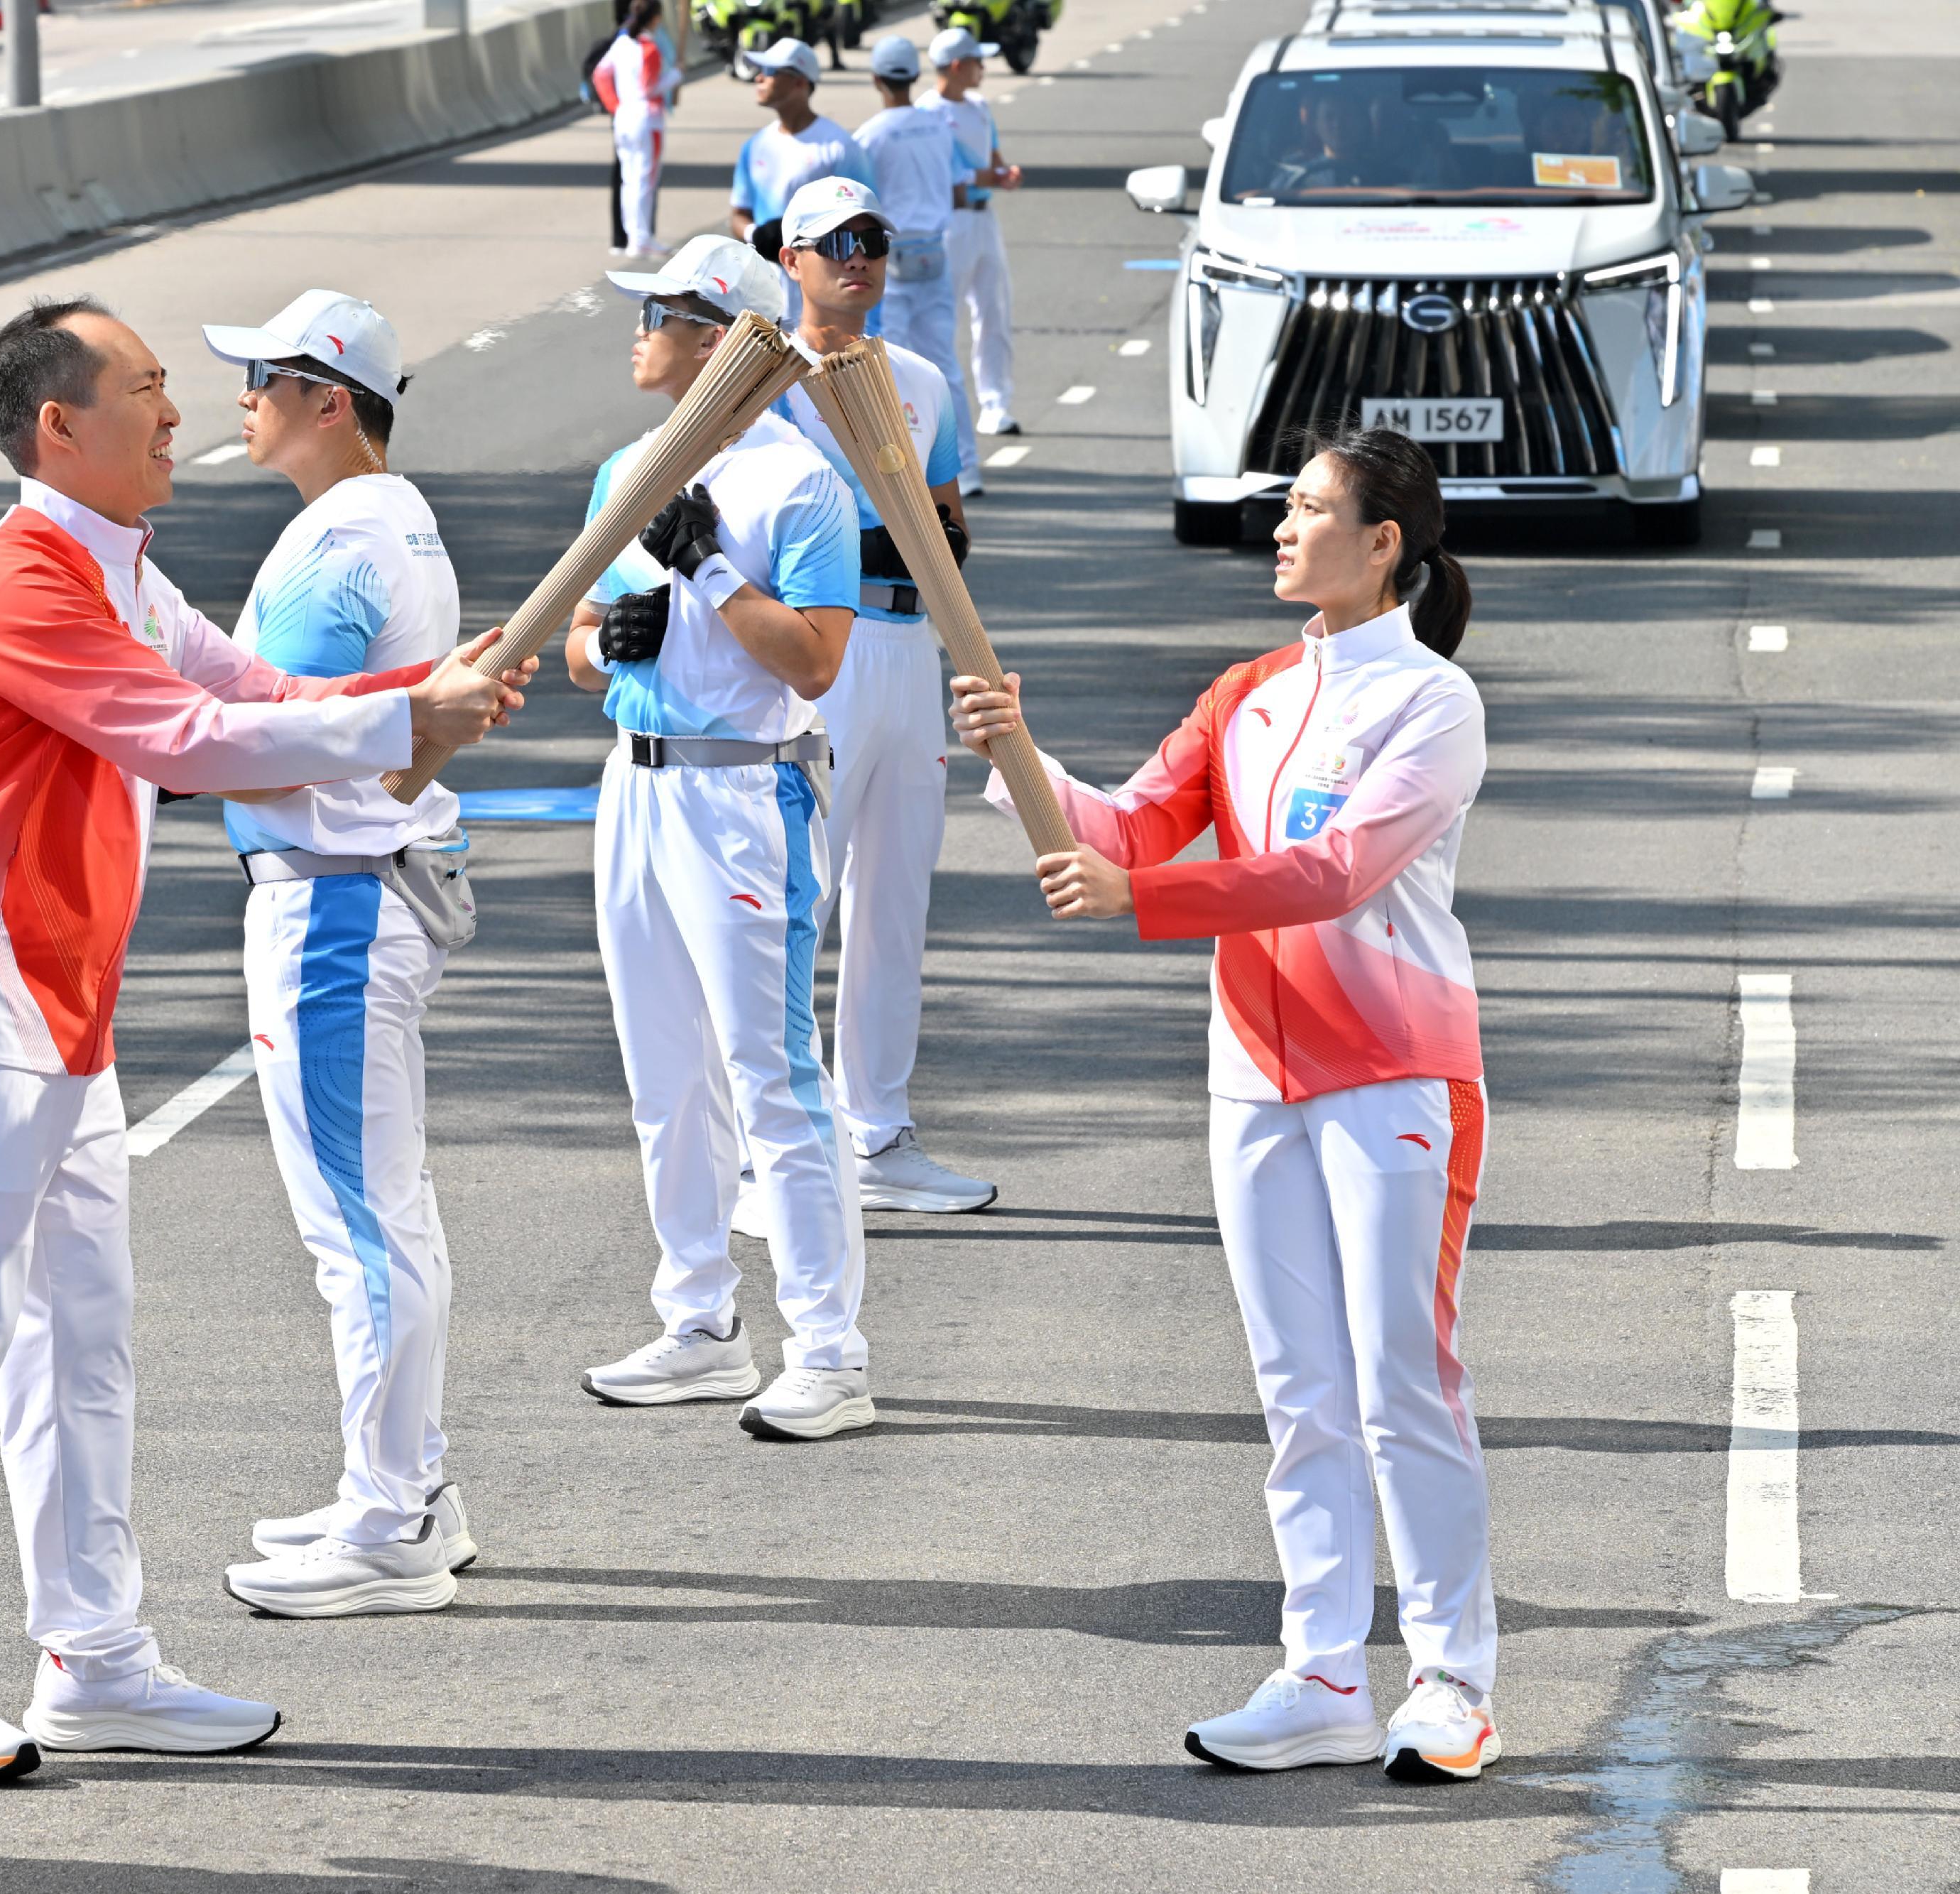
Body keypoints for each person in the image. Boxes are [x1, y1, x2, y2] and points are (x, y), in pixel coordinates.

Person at [0, 295, 533, 1782]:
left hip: (63, 1020)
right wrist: (403, 723)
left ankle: (93, 1656)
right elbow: (185, 742)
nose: (174, 414)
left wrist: (418, 698)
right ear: (58, 426)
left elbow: (259, 692)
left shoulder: (127, 574)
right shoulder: (21, 576)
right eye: (147, 389)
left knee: (82, 1351)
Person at [948, 427, 1499, 1785]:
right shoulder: (1247, 691)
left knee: (1402, 1383)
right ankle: (1325, 1675)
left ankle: (1452, 1681)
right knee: (1300, 1389)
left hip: (1394, 1071)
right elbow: (1131, 827)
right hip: (1254, 1074)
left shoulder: (1434, 704)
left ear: (1383, 542)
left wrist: (1140, 900)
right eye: (1286, 506)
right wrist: (1021, 753)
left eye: (1309, 509)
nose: (1282, 527)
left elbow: (1334, 872)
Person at [191, 292, 481, 1620]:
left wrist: (159, 739)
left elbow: (264, 745)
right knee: (384, 1212)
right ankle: (409, 1480)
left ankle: (388, 1522)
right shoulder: (391, 517)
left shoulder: (339, 545)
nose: (242, 397)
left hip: (334, 904)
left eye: (263, 376)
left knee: (360, 1228)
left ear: (329, 397)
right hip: (367, 888)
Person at [566, 233, 878, 1443]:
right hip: (635, 784)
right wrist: (608, 645)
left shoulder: (801, 484)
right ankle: (700, 1322)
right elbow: (581, 640)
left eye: (657, 313)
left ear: (719, 340)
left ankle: (830, 1351)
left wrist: (702, 571)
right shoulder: (625, 469)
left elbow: (816, 659)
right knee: (664, 1077)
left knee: (774, 1079)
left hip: (747, 795)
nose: (636, 332)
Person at [747, 175, 994, 1225]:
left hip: (905, 652)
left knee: (895, 903)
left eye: (873, 241)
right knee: (799, 900)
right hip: (819, 656)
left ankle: (878, 1132)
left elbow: (947, 522)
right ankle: (770, 1150)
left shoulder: (923, 379)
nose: (859, 258)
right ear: (791, 259)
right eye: (836, 242)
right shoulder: (759, 380)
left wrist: (935, 544)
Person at [849, 37, 975, 494]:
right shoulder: (939, 127)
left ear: (877, 80)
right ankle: (967, 470)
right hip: (935, 253)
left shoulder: (868, 136)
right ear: (915, 76)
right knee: (945, 366)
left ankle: (906, 474)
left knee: (891, 369)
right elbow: (960, 190)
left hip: (891, 260)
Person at [922, 26, 1021, 439]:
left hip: (983, 219)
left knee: (994, 312)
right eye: (979, 62)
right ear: (957, 66)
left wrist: (1003, 173)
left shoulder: (980, 106)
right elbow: (940, 175)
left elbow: (992, 157)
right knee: (943, 321)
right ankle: (934, 411)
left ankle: (996, 405)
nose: (984, 68)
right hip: (950, 223)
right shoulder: (927, 113)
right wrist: (987, 176)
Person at [726, 38, 873, 246]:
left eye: (770, 71)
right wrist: (757, 235)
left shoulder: (840, 147)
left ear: (800, 82)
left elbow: (866, 217)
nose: (759, 77)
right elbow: (738, 215)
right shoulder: (754, 146)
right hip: (764, 267)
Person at [594, 0, 680, 260]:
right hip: (647, 120)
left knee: (629, 180)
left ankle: (634, 238)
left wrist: (615, 105)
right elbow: (649, 88)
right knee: (645, 180)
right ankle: (642, 239)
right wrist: (676, 76)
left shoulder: (621, 44)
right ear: (655, 19)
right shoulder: (649, 48)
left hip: (623, 117)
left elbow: (600, 75)